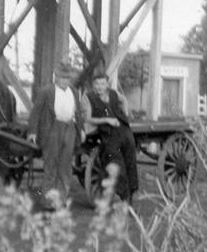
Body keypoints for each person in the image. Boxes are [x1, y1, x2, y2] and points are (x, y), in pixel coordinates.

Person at [27, 61, 83, 209]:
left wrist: (81, 129)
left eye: (67, 78)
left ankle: (61, 200)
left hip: (70, 128)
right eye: (61, 77)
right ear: (55, 77)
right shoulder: (46, 91)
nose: (65, 80)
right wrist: (32, 132)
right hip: (53, 129)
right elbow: (35, 113)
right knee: (51, 166)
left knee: (65, 167)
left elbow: (77, 113)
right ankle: (47, 201)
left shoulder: (74, 91)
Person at [82, 73, 138, 204]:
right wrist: (107, 120)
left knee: (130, 160)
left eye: (102, 84)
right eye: (97, 84)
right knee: (117, 163)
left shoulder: (113, 93)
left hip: (124, 130)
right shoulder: (88, 97)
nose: (99, 87)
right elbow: (88, 118)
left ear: (107, 84)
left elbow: (123, 100)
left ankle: (132, 192)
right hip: (108, 133)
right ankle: (125, 198)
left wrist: (124, 114)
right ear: (93, 85)